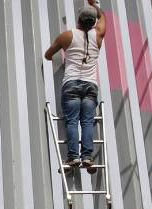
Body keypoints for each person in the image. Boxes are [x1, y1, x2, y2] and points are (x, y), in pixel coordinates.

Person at [44, 0, 106, 173]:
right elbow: (104, 17)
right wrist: (94, 5)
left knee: (72, 121)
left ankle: (73, 157)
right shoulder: (99, 35)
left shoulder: (67, 36)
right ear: (93, 22)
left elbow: (48, 55)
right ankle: (87, 156)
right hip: (90, 86)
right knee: (86, 122)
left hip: (71, 84)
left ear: (79, 19)